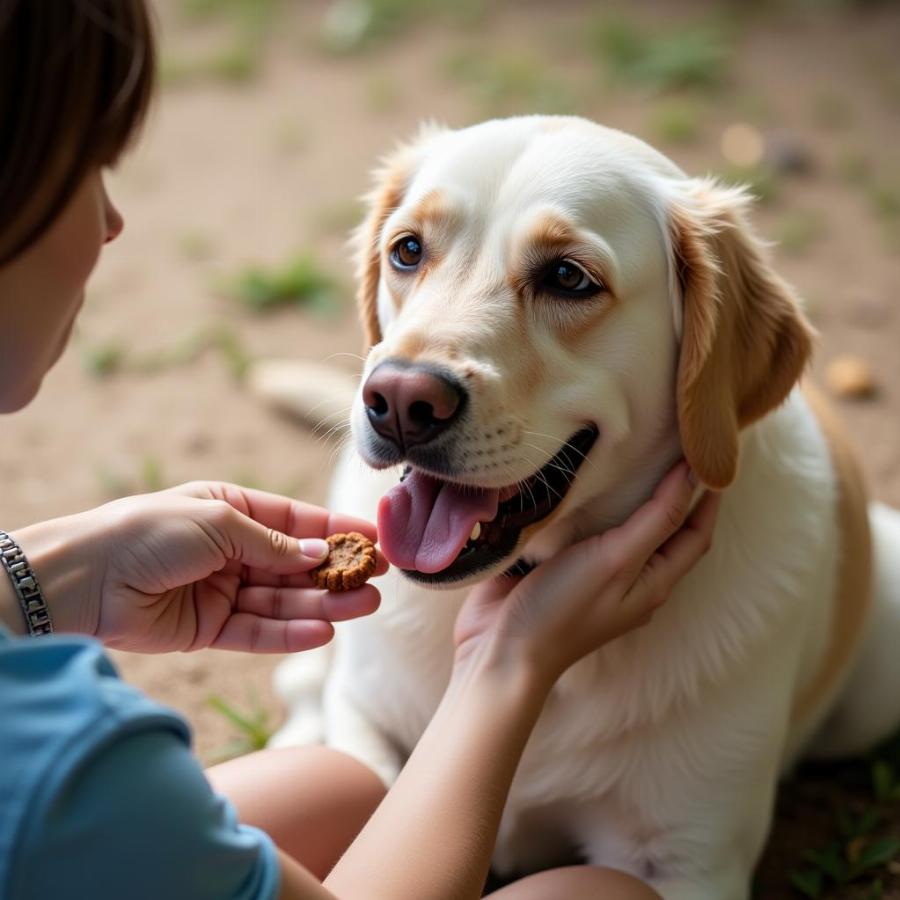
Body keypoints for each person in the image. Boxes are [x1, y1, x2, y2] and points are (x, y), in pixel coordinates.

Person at [0, 3, 721, 898]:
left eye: (567, 278)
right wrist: (509, 660)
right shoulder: (65, 754)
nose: (112, 221)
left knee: (333, 783)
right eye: (87, 166)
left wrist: (33, 577)